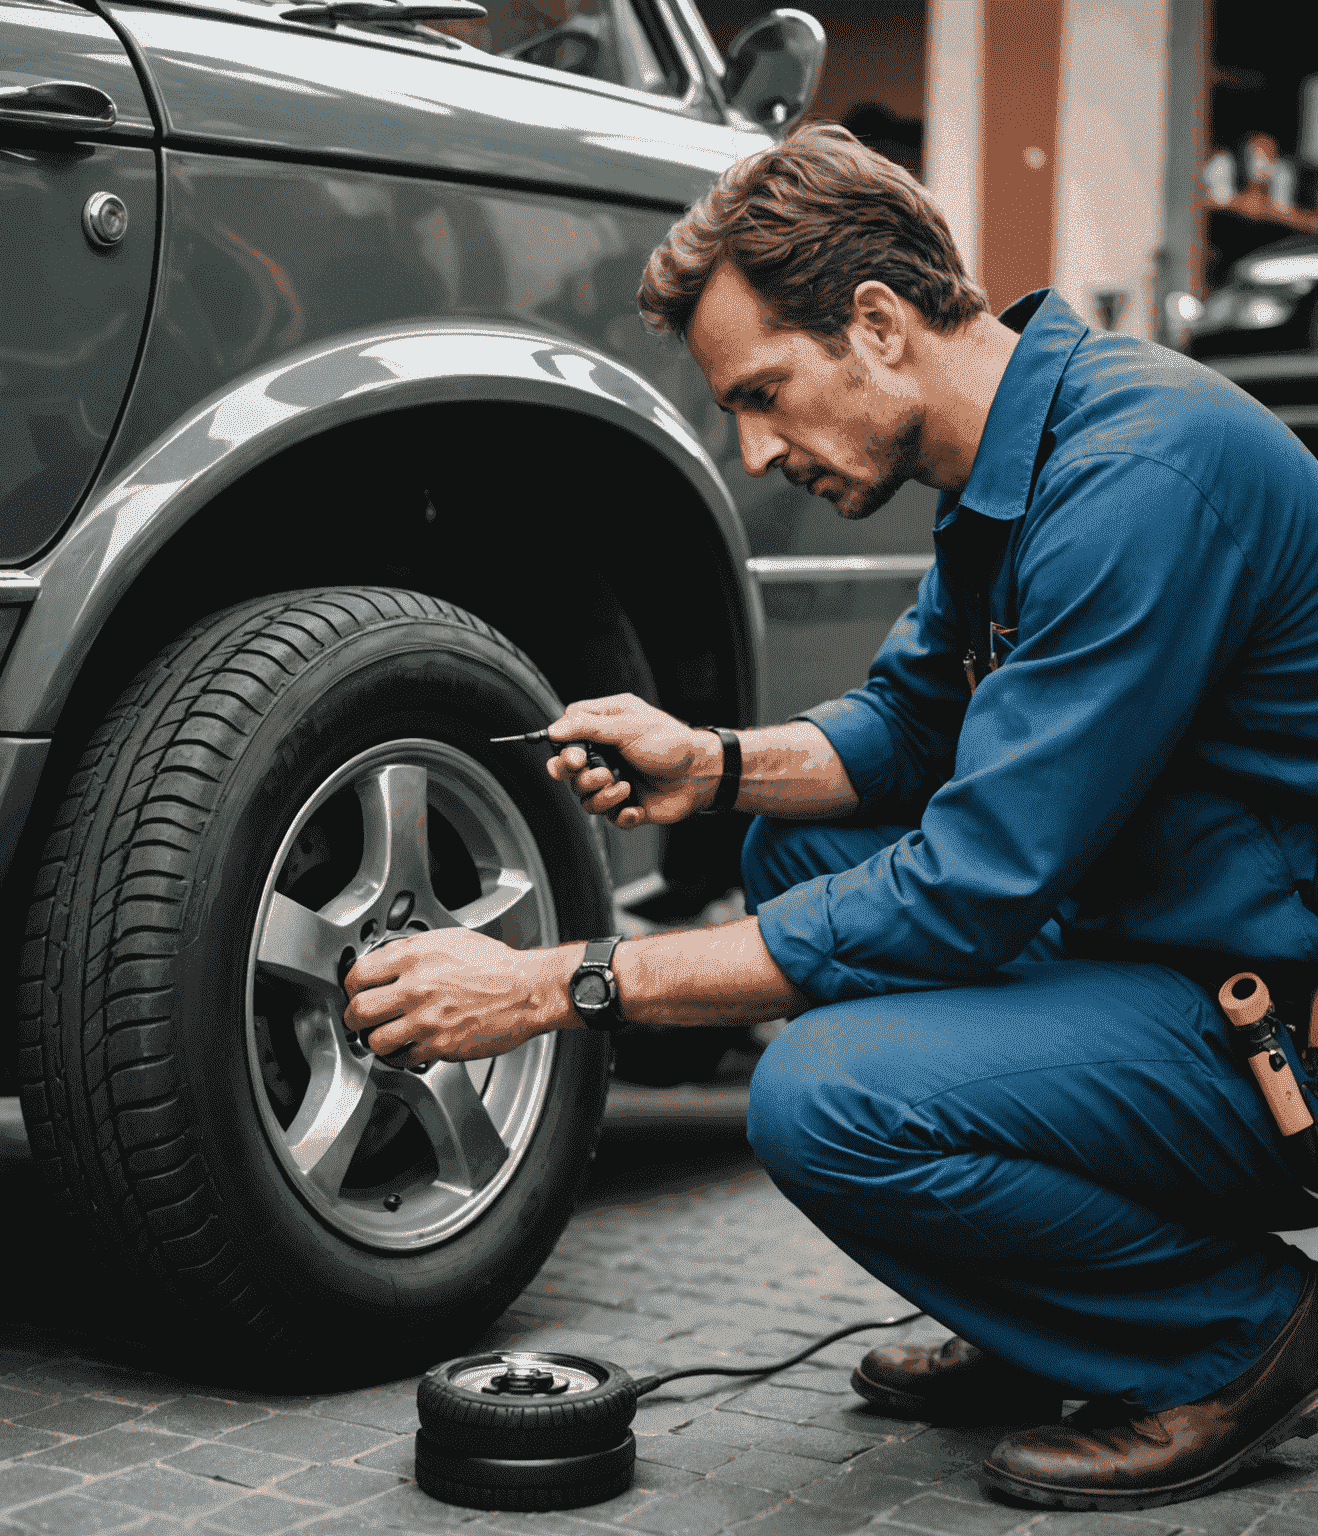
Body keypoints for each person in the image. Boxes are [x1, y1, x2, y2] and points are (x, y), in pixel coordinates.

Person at [343, 122, 1318, 1511]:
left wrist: (562, 985)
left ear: (874, 325)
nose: (751, 452)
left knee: (829, 1103)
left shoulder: (1140, 480)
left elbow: (967, 888)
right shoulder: (1014, 451)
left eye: (762, 394)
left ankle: (1228, 1335)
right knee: (792, 848)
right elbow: (914, 727)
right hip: (1168, 941)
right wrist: (715, 763)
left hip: (1281, 1025)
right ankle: (1050, 1314)